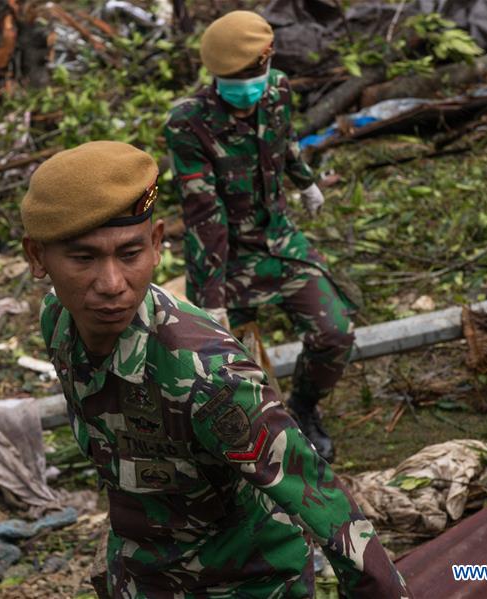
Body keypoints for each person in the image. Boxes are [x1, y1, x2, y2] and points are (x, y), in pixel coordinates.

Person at [20, 140, 410, 598]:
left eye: (130, 254)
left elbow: (317, 493)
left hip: (244, 581)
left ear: (157, 244)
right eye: (83, 258)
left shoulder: (206, 376)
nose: (111, 285)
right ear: (37, 257)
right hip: (144, 569)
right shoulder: (59, 322)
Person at [164, 11, 353, 463]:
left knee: (335, 333)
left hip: (279, 240)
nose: (245, 86)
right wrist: (211, 298)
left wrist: (304, 180)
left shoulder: (278, 90)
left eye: (252, 73)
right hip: (224, 258)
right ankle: (259, 443)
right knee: (232, 368)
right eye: (231, 78)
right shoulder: (189, 123)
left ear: (268, 59)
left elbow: (283, 139)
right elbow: (203, 214)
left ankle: (305, 410)